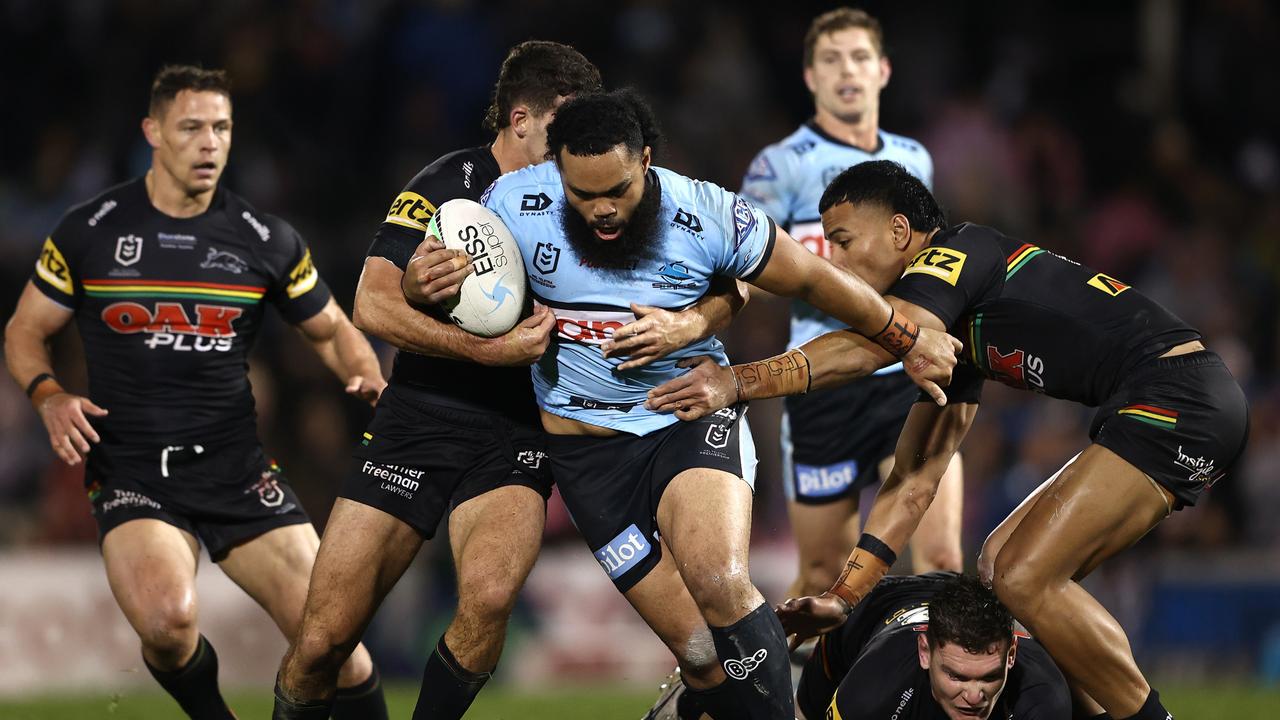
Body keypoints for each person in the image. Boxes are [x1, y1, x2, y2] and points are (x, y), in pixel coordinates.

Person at [646, 160, 1249, 720]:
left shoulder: (960, 252)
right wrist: (844, 596)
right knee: (997, 571)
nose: (836, 267)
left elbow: (870, 345)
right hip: (1158, 406)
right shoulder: (952, 340)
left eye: (845, 242)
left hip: (1177, 403)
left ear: (903, 231)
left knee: (1023, 576)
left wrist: (740, 381)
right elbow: (916, 477)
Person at [273, 43, 746, 720]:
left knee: (490, 600)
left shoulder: (591, 203)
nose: (577, 150)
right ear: (520, 120)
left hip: (519, 433)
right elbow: (373, 304)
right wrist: (472, 342)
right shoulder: (451, 183)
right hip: (421, 420)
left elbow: (724, 278)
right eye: (563, 129)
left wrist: (692, 327)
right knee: (322, 638)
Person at [480, 89, 961, 720]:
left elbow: (816, 279)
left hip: (687, 414)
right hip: (586, 455)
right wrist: (440, 292)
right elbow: (446, 286)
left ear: (646, 161)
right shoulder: (514, 204)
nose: (601, 211)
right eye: (582, 194)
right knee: (702, 655)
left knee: (719, 581)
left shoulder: (707, 212)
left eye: (617, 190)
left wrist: (904, 338)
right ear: (556, 174)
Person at [2, 65, 387, 720]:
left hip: (236, 471)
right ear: (153, 132)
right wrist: (47, 395)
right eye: (192, 127)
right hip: (134, 472)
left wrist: (367, 373)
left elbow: (331, 331)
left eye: (222, 127)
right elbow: (23, 331)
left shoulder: (266, 239)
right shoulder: (90, 230)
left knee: (336, 647)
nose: (210, 142)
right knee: (167, 623)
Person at [741, 7, 963, 602]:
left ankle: (924, 693)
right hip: (824, 382)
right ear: (810, 76)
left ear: (883, 70)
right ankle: (755, 689)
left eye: (860, 57)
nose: (848, 70)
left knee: (939, 560)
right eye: (832, 59)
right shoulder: (778, 166)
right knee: (823, 578)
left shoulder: (915, 159)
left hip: (904, 371)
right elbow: (745, 265)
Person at [796, 572, 1069, 720]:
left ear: (1011, 656)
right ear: (925, 653)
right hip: (865, 619)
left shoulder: (1042, 696)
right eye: (956, 676)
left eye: (989, 677)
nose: (974, 697)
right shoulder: (869, 695)